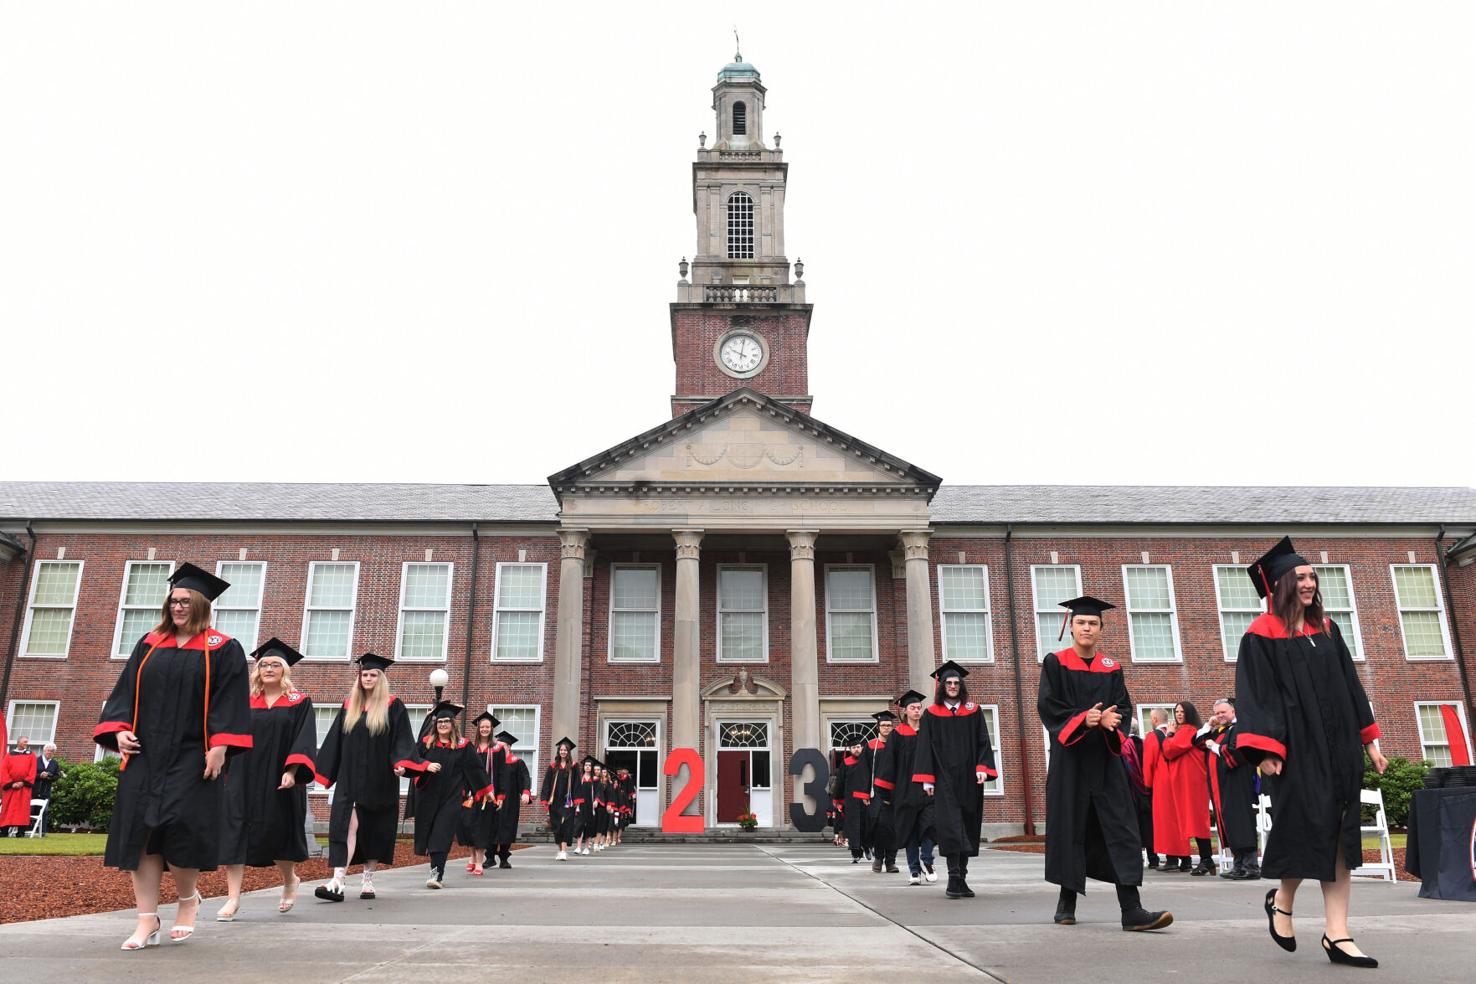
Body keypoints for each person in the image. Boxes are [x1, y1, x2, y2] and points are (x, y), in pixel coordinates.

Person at [1236, 537, 1387, 967]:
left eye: (1311, 575)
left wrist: (1370, 742)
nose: (1309, 582)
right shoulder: (1260, 634)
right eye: (1299, 576)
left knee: (1338, 833)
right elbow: (1256, 696)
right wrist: (1264, 750)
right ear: (1279, 585)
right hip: (1296, 751)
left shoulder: (1328, 629)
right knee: (1306, 829)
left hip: (1339, 748)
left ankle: (1337, 934)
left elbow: (1352, 688)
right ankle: (1282, 899)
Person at [93, 563, 252, 949]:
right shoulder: (150, 644)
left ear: (200, 605)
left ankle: (186, 901)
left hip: (192, 755)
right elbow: (125, 691)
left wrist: (219, 746)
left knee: (180, 827)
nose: (178, 607)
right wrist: (118, 730)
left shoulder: (223, 648)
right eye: (174, 600)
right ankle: (146, 919)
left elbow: (229, 701)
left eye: (185, 601)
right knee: (141, 832)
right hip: (146, 752)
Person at [1038, 596, 1171, 931]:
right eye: (1082, 622)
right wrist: (1083, 719)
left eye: (1093, 623)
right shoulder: (1055, 663)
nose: (1087, 628)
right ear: (1071, 627)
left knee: (1121, 827)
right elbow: (1049, 707)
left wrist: (1113, 722)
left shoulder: (1112, 668)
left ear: (1101, 629)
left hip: (1106, 760)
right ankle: (1066, 900)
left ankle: (1132, 909)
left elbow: (1124, 708)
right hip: (1071, 761)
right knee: (1073, 826)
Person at [216, 638, 318, 920]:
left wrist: (292, 771)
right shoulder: (243, 701)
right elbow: (226, 733)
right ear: (257, 670)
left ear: (284, 670)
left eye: (275, 664)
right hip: (241, 775)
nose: (269, 668)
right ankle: (233, 898)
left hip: (280, 776)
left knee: (279, 833)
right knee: (235, 833)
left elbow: (304, 740)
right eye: (264, 664)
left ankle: (289, 880)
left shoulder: (299, 702)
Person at [312, 652, 422, 903]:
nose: (368, 678)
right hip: (349, 778)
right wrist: (326, 771)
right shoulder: (348, 705)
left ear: (381, 678)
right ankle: (337, 880)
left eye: (373, 675)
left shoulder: (393, 705)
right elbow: (336, 741)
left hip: (381, 779)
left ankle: (368, 879)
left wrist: (402, 764)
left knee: (375, 829)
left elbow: (402, 740)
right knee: (345, 825)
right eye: (364, 675)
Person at [912, 660, 997, 900]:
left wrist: (983, 767)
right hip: (944, 780)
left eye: (956, 683)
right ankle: (953, 878)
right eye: (948, 683)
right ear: (942, 686)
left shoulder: (974, 710)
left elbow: (983, 741)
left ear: (961, 685)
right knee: (951, 828)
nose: (952, 686)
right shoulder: (931, 714)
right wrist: (927, 781)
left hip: (970, 779)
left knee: (968, 828)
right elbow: (925, 749)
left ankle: (963, 877)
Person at [409, 702, 492, 889]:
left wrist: (488, 791)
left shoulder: (463, 746)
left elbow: (476, 770)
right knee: (431, 835)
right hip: (427, 798)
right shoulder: (425, 744)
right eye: (440, 722)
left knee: (442, 834)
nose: (443, 725)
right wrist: (424, 766)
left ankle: (437, 874)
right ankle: (435, 869)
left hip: (451, 799)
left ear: (453, 724)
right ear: (435, 724)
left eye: (447, 721)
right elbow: (412, 760)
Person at [1194, 698, 1259, 880]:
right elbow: (1198, 742)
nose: (1219, 716)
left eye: (1223, 712)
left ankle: (1251, 866)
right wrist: (1208, 725)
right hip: (1223, 786)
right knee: (1230, 823)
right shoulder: (1221, 731)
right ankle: (1238, 865)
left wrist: (1215, 747)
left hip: (1238, 783)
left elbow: (1238, 754)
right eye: (1217, 713)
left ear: (1233, 711)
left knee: (1242, 823)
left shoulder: (1241, 729)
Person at [877, 690, 937, 885]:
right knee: (910, 831)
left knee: (929, 827)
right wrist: (885, 791)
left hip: (927, 789)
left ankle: (927, 860)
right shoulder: (897, 735)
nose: (917, 711)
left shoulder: (929, 733)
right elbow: (889, 764)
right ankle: (914, 870)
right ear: (905, 711)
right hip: (904, 790)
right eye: (913, 708)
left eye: (919, 707)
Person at [1162, 700, 1214, 874]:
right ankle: (1206, 859)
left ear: (1189, 713)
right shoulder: (1186, 731)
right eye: (1176, 711)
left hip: (1191, 781)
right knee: (1195, 819)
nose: (1178, 714)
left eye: (1182, 712)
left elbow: (1169, 750)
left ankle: (1206, 859)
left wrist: (1168, 735)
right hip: (1188, 780)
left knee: (1197, 819)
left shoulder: (1187, 731)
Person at [458, 711, 507, 876]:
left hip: (488, 796)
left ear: (492, 729)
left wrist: (500, 796)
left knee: (482, 829)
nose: (485, 729)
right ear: (478, 729)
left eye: (488, 727)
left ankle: (479, 861)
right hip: (472, 795)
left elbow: (502, 773)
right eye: (482, 727)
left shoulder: (498, 749)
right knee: (468, 827)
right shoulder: (471, 749)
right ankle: (472, 857)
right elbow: (465, 771)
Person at [865, 710, 899, 873]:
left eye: (889, 725)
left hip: (895, 792)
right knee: (879, 826)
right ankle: (878, 858)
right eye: (883, 725)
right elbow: (864, 770)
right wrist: (864, 792)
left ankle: (891, 861)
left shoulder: (898, 745)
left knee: (893, 828)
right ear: (878, 727)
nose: (886, 728)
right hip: (876, 793)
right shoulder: (871, 746)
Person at [1140, 708, 1174, 871]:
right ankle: (1185, 858)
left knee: (1164, 821)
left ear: (1153, 719)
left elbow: (1149, 763)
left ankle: (1171, 858)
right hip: (1177, 782)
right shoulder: (1176, 733)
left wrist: (1147, 785)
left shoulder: (1152, 737)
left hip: (1161, 783)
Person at [492, 730, 532, 867]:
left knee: (507, 829)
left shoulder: (517, 762)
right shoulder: (493, 762)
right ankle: (489, 857)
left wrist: (526, 792)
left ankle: (504, 858)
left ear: (508, 747)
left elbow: (525, 779)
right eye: (496, 746)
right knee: (491, 828)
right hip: (494, 800)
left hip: (510, 803)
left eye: (501, 746)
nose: (498, 749)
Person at [1121, 719, 1155, 870]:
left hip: (1130, 790)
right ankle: (1153, 858)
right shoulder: (1145, 743)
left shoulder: (1123, 746)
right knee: (1148, 825)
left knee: (1132, 825)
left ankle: (1136, 858)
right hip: (1147, 789)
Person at [539, 737, 579, 860]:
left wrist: (577, 800)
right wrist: (545, 799)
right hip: (555, 800)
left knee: (566, 825)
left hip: (568, 800)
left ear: (568, 752)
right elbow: (547, 783)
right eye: (561, 750)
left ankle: (564, 851)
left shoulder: (574, 766)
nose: (563, 752)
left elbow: (577, 783)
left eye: (565, 750)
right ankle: (560, 850)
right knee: (557, 826)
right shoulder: (553, 766)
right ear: (558, 751)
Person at [839, 738, 872, 863]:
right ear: (850, 750)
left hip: (865, 799)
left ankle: (867, 846)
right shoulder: (846, 763)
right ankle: (855, 853)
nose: (856, 749)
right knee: (853, 828)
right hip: (851, 800)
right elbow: (840, 783)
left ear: (862, 748)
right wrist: (838, 799)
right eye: (853, 748)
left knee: (866, 826)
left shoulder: (868, 761)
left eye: (858, 747)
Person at [1, 735, 37, 836]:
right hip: (10, 788)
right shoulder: (9, 755)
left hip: (24, 787)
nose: (26, 743)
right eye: (25, 741)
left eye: (27, 742)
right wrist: (11, 783)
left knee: (22, 810)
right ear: (18, 742)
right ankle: (4, 832)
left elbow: (32, 771)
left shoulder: (31, 755)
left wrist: (22, 782)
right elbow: (4, 770)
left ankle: (20, 832)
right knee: (7, 809)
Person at [33, 744, 61, 835]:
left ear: (54, 753)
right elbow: (30, 774)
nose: (49, 752)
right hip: (34, 790)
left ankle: (42, 831)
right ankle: (29, 829)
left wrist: (49, 776)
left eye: (51, 751)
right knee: (32, 810)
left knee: (44, 811)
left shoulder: (55, 763)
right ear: (44, 751)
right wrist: (40, 775)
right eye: (48, 750)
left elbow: (57, 776)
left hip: (46, 791)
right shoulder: (36, 761)